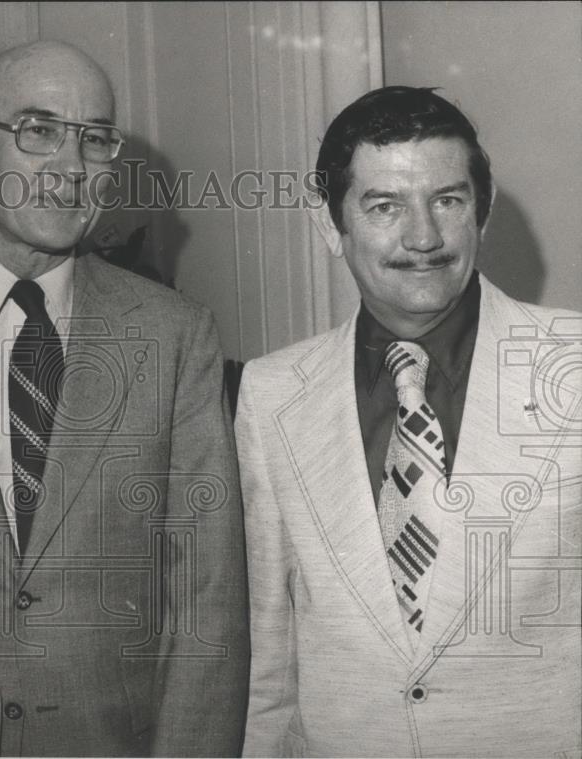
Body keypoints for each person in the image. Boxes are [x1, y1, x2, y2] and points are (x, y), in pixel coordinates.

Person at [0, 41, 248, 756]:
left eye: (95, 140)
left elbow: (207, 599)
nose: (71, 169)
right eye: (38, 130)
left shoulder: (174, 334)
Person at [237, 86, 581, 757]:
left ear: (481, 213)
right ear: (328, 225)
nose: (424, 237)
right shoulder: (271, 393)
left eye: (447, 200)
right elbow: (271, 660)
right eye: (385, 205)